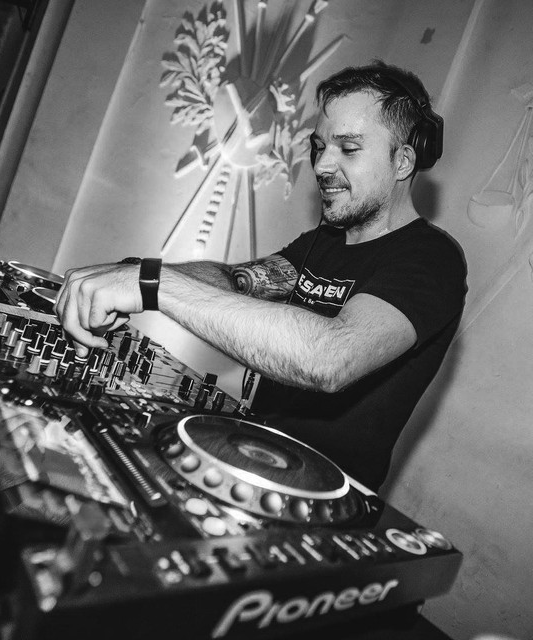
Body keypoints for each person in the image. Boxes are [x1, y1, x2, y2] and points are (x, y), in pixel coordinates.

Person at [55, 61, 467, 492]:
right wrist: (134, 274)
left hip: (314, 499)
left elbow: (329, 357)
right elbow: (237, 280)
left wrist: (153, 285)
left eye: (348, 148)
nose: (322, 166)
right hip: (247, 464)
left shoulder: (432, 259)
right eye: (319, 146)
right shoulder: (325, 241)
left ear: (402, 161)